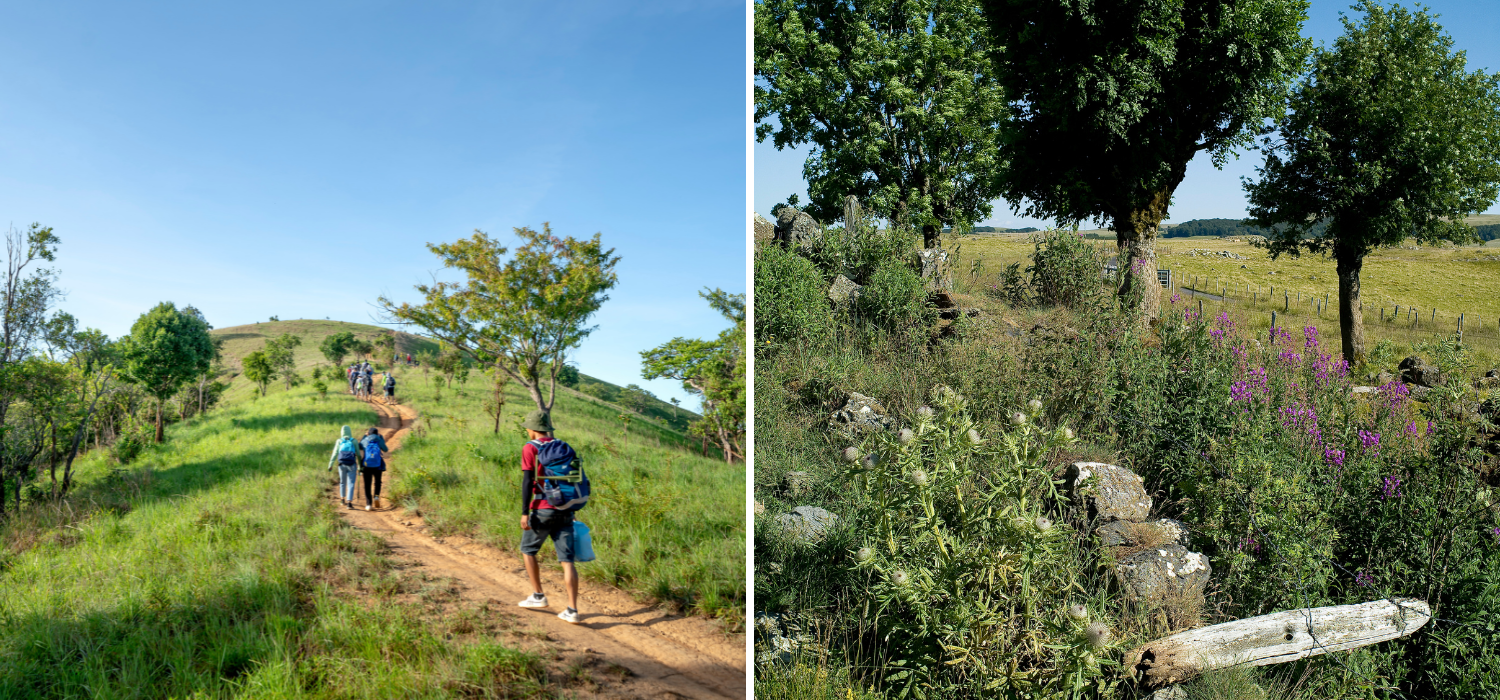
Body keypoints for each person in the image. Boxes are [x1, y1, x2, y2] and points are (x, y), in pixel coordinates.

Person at [517, 410, 583, 623]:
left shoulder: (530, 448)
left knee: (528, 550)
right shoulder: (564, 446)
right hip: (565, 508)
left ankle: (538, 595)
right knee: (567, 561)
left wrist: (525, 512)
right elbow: (574, 479)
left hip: (542, 507)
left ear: (532, 429)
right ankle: (572, 610)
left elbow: (528, 481)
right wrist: (570, 509)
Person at [356, 426, 389, 510]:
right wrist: (381, 438)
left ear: (369, 433)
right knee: (378, 482)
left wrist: (364, 436)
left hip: (366, 465)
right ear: (377, 433)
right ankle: (376, 497)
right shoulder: (379, 439)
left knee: (367, 485)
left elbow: (359, 446)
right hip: (378, 465)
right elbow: (385, 449)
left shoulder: (365, 440)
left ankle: (369, 504)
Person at [327, 425, 360, 508]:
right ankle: (349, 502)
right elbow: (359, 455)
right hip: (352, 464)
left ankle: (342, 499)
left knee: (342, 482)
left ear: (341, 432)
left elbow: (334, 453)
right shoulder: (354, 441)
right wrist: (360, 466)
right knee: (351, 483)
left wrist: (330, 464)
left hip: (341, 464)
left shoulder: (339, 441)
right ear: (350, 432)